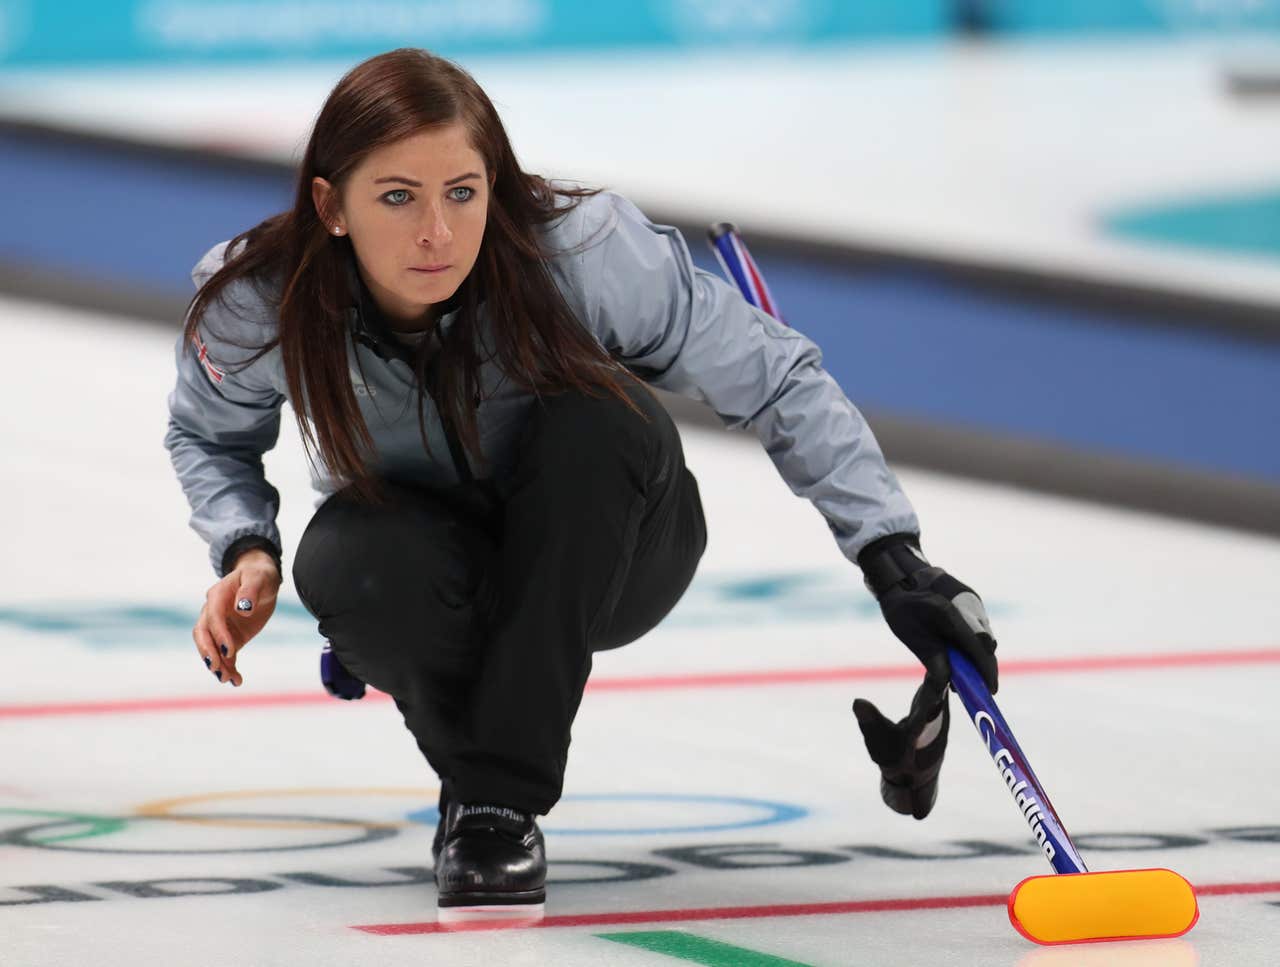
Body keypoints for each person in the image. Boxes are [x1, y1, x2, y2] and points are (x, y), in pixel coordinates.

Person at [163, 47, 999, 925]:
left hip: (616, 542)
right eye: (397, 197)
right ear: (331, 205)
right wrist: (247, 546)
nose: (437, 234)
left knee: (597, 421)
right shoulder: (264, 299)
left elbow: (776, 379)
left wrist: (893, 559)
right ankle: (492, 798)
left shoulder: (583, 252)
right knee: (341, 558)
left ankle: (491, 803)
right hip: (428, 565)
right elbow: (206, 433)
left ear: (496, 184)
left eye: (462, 192)